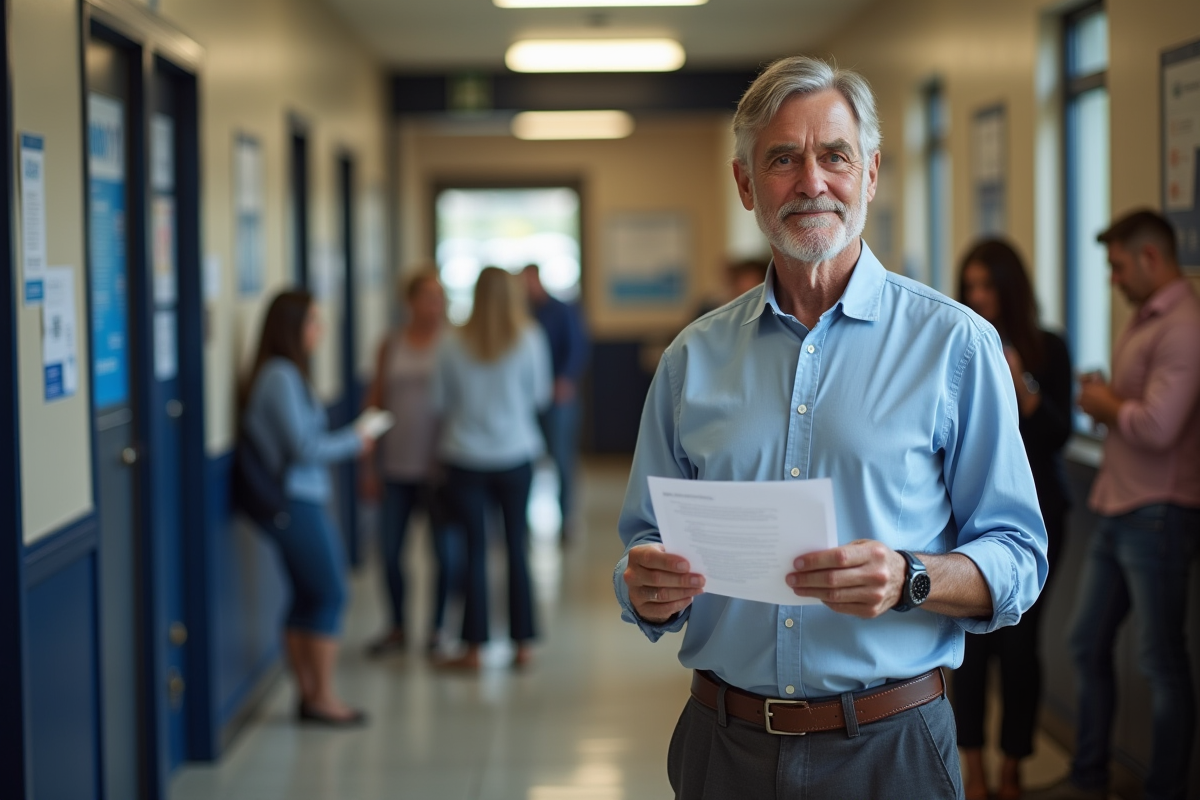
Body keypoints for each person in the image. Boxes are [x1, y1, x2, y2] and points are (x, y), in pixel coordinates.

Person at [614, 55, 1048, 798]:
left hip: (893, 749)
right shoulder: (693, 359)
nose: (811, 182)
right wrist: (643, 583)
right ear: (746, 184)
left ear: (870, 173)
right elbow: (642, 543)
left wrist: (912, 577)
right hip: (723, 749)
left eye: (834, 156)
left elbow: (1019, 558)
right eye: (783, 159)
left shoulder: (955, 346)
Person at [1029, 210, 1200, 800]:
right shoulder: (1147, 320)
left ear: (1151, 259)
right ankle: (1089, 777)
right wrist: (1109, 399)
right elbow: (1139, 407)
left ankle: (1166, 789)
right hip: (1118, 505)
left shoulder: (1183, 325)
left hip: (1158, 514)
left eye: (1119, 266)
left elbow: (1157, 427)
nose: (1113, 279)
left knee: (1160, 664)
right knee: (1086, 643)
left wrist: (1104, 405)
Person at [954, 239, 1074, 800]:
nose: (980, 297)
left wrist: (1021, 383)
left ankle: (1012, 770)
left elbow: (1058, 434)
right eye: (971, 287)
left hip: (1039, 514)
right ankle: (973, 770)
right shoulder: (955, 343)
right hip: (966, 515)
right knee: (971, 652)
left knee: (1021, 650)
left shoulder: (1047, 347)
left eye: (989, 286)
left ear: (1011, 289)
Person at [241, 290, 379, 727]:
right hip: (292, 500)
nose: (320, 330)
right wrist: (355, 441)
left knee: (307, 595)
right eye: (313, 322)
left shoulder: (287, 374)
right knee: (330, 592)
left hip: (302, 497)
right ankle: (321, 697)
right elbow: (302, 447)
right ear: (292, 328)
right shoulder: (279, 377)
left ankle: (310, 694)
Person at [433, 267, 552, 670]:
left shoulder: (450, 341)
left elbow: (439, 401)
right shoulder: (530, 338)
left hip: (464, 456)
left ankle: (473, 647)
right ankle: (523, 643)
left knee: (474, 549)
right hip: (516, 454)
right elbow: (541, 396)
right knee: (517, 545)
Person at [362, 269, 462, 657]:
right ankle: (397, 626)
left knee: (445, 555)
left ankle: (438, 628)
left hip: (439, 470)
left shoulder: (453, 345)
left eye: (440, 297)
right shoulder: (391, 344)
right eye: (427, 297)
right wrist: (368, 465)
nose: (434, 305)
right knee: (389, 552)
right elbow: (374, 402)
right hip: (396, 466)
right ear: (410, 302)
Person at [520, 264, 588, 542]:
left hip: (558, 397)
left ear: (537, 279)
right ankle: (519, 521)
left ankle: (566, 519)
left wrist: (565, 379)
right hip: (526, 400)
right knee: (525, 461)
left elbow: (578, 348)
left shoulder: (562, 310)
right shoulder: (522, 313)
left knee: (562, 460)